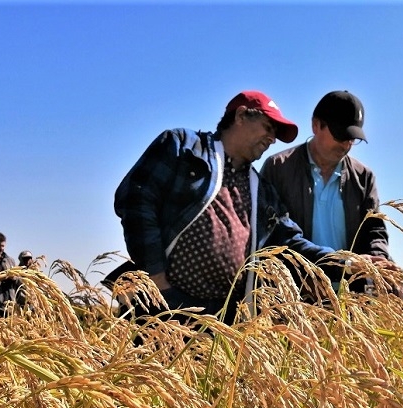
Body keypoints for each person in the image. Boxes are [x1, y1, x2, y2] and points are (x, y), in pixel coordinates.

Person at [113, 90, 351, 325]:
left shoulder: (262, 191)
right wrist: (157, 280)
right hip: (161, 305)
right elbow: (136, 200)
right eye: (268, 127)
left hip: (220, 318)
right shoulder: (183, 147)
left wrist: (348, 265)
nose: (272, 139)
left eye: (275, 134)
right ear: (240, 116)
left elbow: (291, 244)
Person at [259, 90, 391, 279]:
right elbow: (273, 233)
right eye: (340, 135)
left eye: (352, 138)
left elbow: (374, 229)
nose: (346, 145)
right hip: (294, 294)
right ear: (315, 125)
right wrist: (339, 263)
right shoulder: (278, 168)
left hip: (350, 295)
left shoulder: (364, 177)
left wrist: (376, 260)